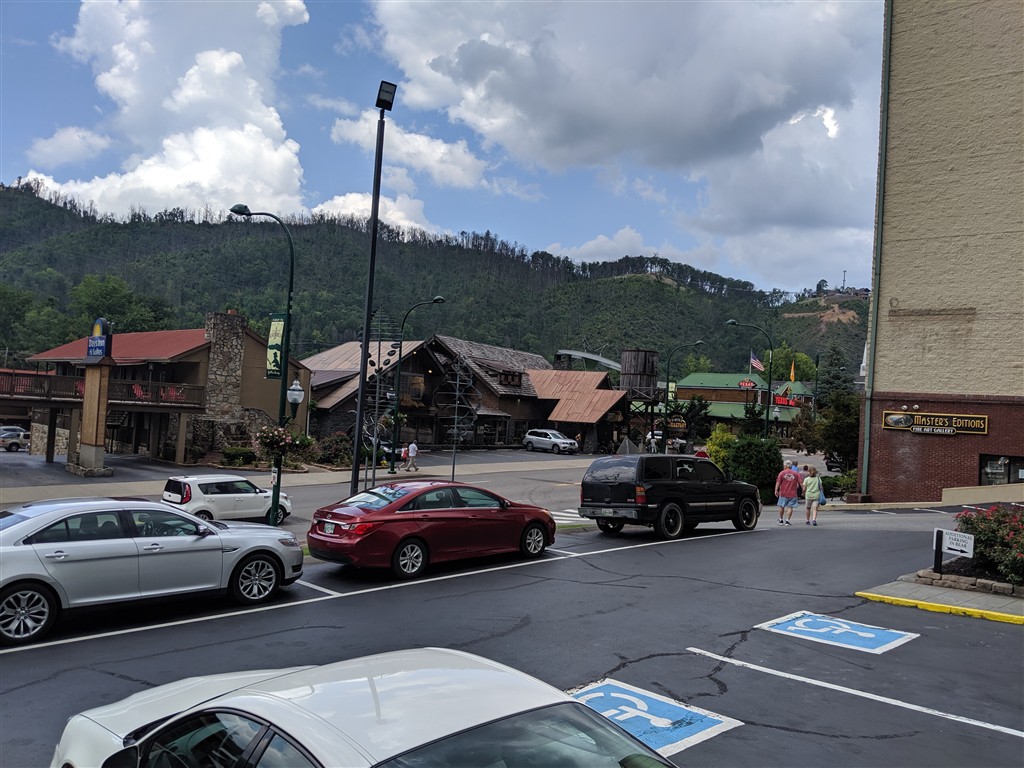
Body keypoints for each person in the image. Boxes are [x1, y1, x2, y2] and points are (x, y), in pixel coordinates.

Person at [774, 460, 801, 525]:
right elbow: (800, 482)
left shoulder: (782, 473)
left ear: (785, 466)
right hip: (793, 493)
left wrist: (776, 490)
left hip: (783, 493)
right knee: (790, 507)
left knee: (781, 506)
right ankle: (787, 520)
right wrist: (803, 489)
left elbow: (778, 482)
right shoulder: (796, 473)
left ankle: (781, 519)